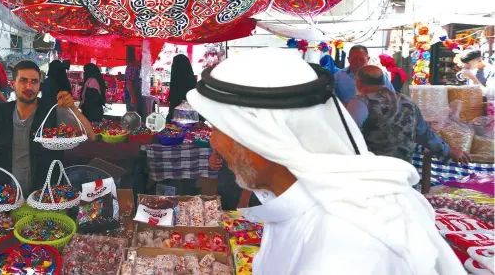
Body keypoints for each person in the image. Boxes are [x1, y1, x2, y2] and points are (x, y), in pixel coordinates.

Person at [186, 48, 464, 274]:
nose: (214, 143)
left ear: (260, 135)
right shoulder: (300, 207)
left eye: (218, 129)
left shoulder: (343, 247)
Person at [0, 60, 97, 196]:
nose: (29, 87)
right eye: (23, 81)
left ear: (40, 85)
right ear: (13, 84)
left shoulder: (53, 111)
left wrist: (73, 108)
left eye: (34, 81)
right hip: (4, 195)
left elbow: (91, 135)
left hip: (45, 196)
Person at [347, 65, 470, 164]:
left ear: (358, 83)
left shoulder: (360, 103)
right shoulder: (407, 101)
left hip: (373, 171)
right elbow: (424, 134)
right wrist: (448, 150)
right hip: (403, 172)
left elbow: (348, 134)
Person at [166, 54, 197, 122]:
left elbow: (173, 100)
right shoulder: (192, 79)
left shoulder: (175, 79)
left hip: (177, 117)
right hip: (191, 116)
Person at [124, 46, 144, 117]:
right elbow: (129, 83)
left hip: (136, 96)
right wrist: (133, 97)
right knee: (133, 118)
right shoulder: (133, 66)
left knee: (136, 118)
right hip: (132, 97)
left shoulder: (135, 66)